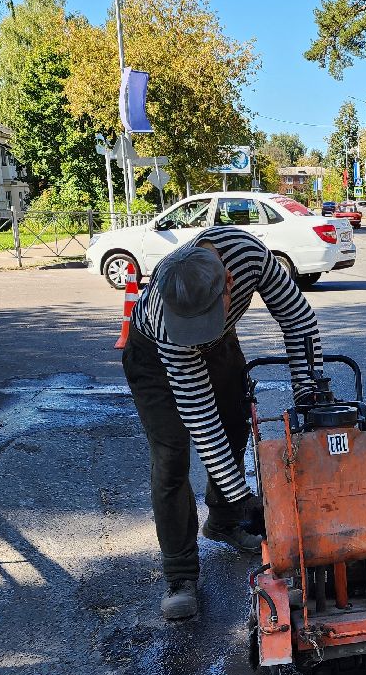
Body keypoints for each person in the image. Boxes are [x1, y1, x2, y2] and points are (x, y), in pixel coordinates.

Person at [123, 225, 324, 621]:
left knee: (235, 424)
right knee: (171, 458)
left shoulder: (249, 255)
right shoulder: (167, 320)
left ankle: (223, 521)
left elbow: (297, 318)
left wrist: (307, 392)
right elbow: (201, 418)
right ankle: (180, 574)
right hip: (156, 359)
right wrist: (244, 496)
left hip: (222, 343)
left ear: (229, 282)